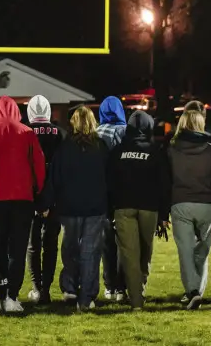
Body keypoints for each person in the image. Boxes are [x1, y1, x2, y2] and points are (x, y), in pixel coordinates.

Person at [0, 95, 47, 313]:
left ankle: (1, 293)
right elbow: (39, 166)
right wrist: (37, 190)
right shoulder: (27, 133)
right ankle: (12, 296)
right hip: (22, 199)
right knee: (17, 249)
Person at [38, 106, 108, 311]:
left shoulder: (65, 147)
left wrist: (45, 203)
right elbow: (109, 178)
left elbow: (54, 178)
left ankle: (69, 288)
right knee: (90, 252)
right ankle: (86, 296)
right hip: (95, 207)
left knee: (69, 248)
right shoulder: (101, 147)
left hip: (69, 207)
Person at [106, 109, 170, 311]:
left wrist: (110, 209)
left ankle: (136, 301)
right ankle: (139, 289)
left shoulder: (117, 152)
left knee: (129, 254)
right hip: (149, 208)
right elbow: (164, 185)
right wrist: (164, 215)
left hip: (123, 207)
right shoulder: (155, 151)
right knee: (145, 251)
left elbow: (109, 183)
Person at [166, 109, 211, 310]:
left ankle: (193, 290)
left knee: (186, 251)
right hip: (205, 204)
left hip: (181, 203)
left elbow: (168, 178)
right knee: (202, 251)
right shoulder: (210, 149)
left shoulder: (172, 149)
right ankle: (197, 290)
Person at [24, 94, 63, 304]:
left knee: (33, 244)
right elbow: (60, 171)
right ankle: (46, 289)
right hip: (55, 198)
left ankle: (37, 287)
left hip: (31, 198)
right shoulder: (59, 134)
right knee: (51, 243)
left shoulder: (25, 133)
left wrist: (38, 200)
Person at [94, 95, 128, 302]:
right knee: (125, 241)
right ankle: (122, 288)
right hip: (124, 193)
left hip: (101, 194)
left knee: (107, 243)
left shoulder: (96, 133)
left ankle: (109, 286)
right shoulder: (127, 133)